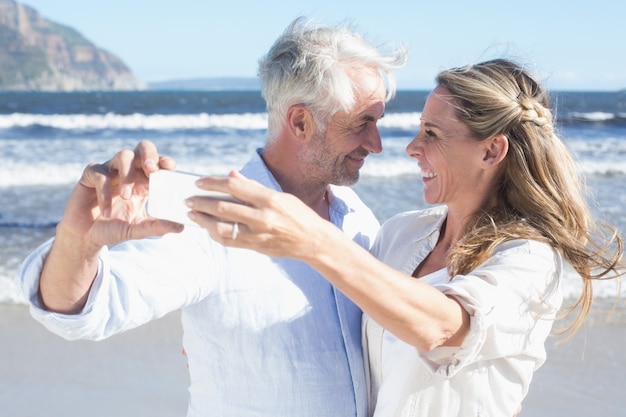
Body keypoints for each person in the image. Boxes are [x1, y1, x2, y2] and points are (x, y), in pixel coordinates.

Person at [16, 17, 407, 417]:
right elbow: (82, 311)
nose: (376, 143)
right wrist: (77, 243)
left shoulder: (359, 219)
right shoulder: (212, 221)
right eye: (363, 123)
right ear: (301, 122)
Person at [188, 59, 624, 417]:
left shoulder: (528, 258)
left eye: (432, 134)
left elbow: (442, 327)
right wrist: (220, 337)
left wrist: (314, 239)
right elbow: (338, 315)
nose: (411, 148)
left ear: (491, 151)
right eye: (419, 129)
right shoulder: (401, 232)